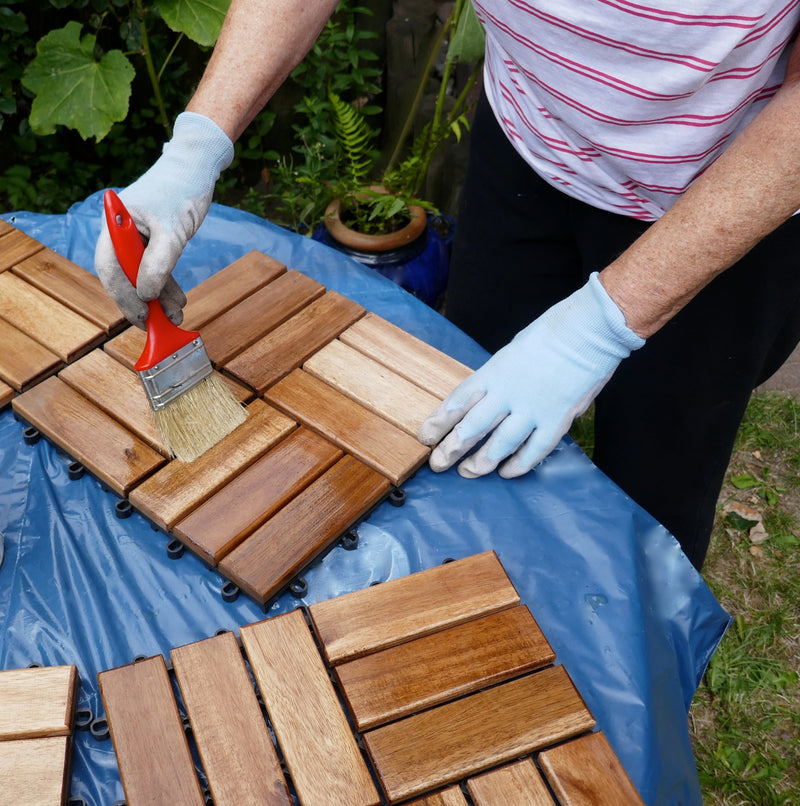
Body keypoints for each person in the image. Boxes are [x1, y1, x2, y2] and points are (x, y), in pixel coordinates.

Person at [95, 0, 800, 572]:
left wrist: (602, 324)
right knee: (462, 442)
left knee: (652, 508)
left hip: (721, 190)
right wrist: (196, 148)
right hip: (529, 147)